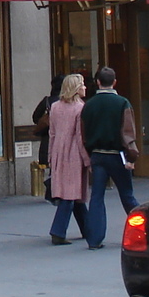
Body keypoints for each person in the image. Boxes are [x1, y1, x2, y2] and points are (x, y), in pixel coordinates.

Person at [81, 66, 139, 251]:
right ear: (114, 82)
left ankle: (94, 239)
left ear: (97, 82)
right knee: (127, 195)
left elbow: (83, 133)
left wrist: (89, 154)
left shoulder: (88, 105)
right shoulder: (122, 103)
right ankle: (144, 230)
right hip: (118, 155)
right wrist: (131, 156)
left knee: (97, 196)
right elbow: (128, 132)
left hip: (97, 154)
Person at [45, 74, 90, 246]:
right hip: (73, 154)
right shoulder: (80, 108)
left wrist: (50, 156)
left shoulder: (55, 107)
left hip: (58, 152)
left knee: (72, 193)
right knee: (70, 195)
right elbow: (80, 137)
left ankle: (88, 229)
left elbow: (52, 134)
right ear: (75, 88)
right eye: (82, 85)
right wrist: (87, 160)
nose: (85, 87)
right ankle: (58, 231)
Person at [32, 76, 63, 201]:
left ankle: (52, 190)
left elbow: (35, 117)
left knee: (53, 166)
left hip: (48, 139)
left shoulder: (47, 101)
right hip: (62, 138)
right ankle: (53, 190)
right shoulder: (67, 101)